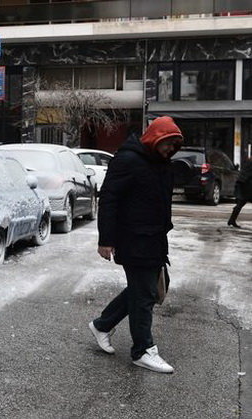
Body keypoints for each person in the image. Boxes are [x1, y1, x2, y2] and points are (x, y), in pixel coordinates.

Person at [88, 116, 183, 374]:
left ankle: (102, 325)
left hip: (154, 239)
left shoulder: (159, 163)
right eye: (167, 144)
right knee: (144, 296)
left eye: (174, 145)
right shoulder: (128, 160)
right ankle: (142, 350)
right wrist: (105, 239)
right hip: (133, 239)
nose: (170, 149)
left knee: (143, 291)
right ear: (155, 138)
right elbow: (109, 199)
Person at [227, 156, 252, 228]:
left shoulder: (248, 160)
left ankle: (232, 220)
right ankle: (232, 220)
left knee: (240, 203)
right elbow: (247, 174)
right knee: (240, 203)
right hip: (247, 186)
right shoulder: (250, 161)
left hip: (245, 185)